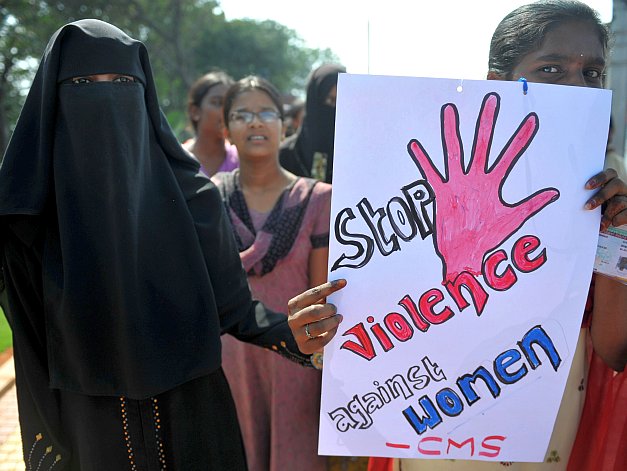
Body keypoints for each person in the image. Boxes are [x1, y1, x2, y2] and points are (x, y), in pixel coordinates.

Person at [0, 19, 342, 471]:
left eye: (122, 83)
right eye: (83, 84)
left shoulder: (193, 200)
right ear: (54, 101)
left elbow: (236, 310)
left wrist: (290, 333)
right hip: (89, 432)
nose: (106, 99)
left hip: (194, 423)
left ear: (143, 96)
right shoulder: (30, 225)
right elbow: (30, 349)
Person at [369, 2, 626, 471]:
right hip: (441, 425)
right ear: (498, 83)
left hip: (553, 433)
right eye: (551, 70)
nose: (578, 89)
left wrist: (619, 235)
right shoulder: (424, 180)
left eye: (592, 73)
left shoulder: (608, 196)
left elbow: (613, 349)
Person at [212, 76, 331, 471]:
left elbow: (321, 295)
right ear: (226, 129)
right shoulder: (207, 197)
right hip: (229, 360)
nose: (255, 122)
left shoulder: (318, 198)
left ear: (284, 125)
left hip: (296, 359)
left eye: (266, 113)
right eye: (242, 115)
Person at [280, 63, 346, 183]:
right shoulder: (284, 156)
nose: (335, 108)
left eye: (341, 101)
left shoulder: (358, 157)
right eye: (330, 100)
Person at [183, 70, 239, 176]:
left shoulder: (241, 161)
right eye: (217, 103)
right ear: (194, 111)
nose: (227, 111)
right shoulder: (178, 161)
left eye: (231, 104)